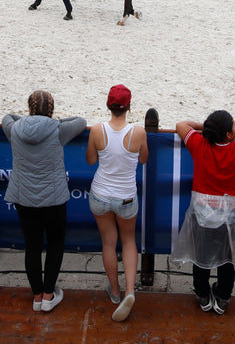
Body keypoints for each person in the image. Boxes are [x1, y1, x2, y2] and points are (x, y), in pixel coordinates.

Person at [2, 91, 86, 313]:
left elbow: (7, 117)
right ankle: (49, 294)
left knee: (32, 246)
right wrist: (52, 120)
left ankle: (37, 296)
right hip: (54, 197)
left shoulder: (15, 129)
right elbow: (81, 121)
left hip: (23, 197)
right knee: (56, 243)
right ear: (51, 110)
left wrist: (26, 119)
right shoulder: (58, 129)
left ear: (29, 108)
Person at [170, 110, 235, 316]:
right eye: (233, 126)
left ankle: (202, 295)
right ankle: (223, 297)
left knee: (200, 255)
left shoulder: (199, 145)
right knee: (227, 259)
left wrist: (206, 127)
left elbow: (181, 123)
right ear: (229, 135)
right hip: (230, 216)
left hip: (202, 212)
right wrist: (234, 130)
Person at [86, 84, 149, 322]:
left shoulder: (97, 130)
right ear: (129, 107)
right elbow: (143, 158)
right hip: (126, 196)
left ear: (108, 105)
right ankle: (130, 290)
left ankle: (114, 292)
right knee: (129, 240)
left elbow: (91, 160)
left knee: (108, 244)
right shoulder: (138, 132)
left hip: (101, 193)